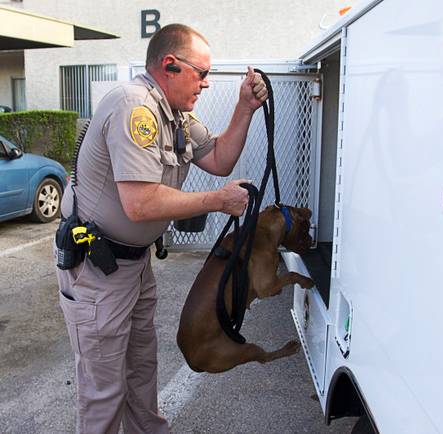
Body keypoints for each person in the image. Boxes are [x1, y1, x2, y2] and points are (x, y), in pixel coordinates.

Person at [54, 23, 268, 433]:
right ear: (170, 65)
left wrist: (244, 108)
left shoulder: (177, 118)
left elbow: (220, 158)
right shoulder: (134, 108)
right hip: (98, 271)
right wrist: (217, 200)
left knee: (140, 371)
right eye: (201, 73)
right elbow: (141, 203)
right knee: (103, 390)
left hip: (132, 266)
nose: (205, 84)